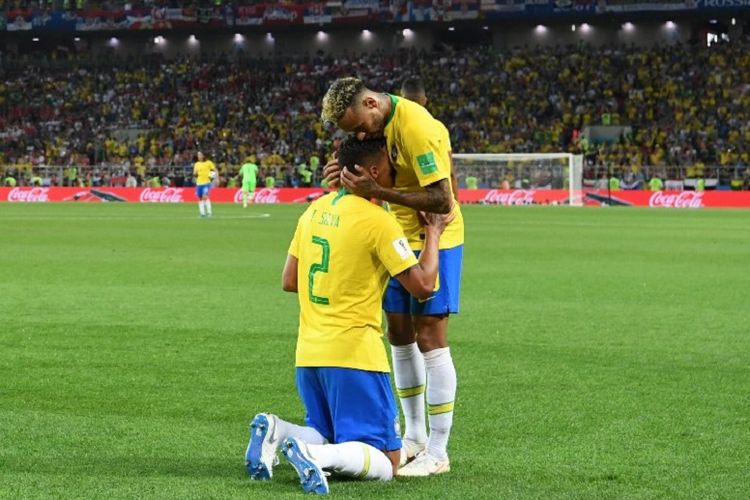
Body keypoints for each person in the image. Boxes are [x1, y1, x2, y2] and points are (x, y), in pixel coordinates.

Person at [244, 138, 451, 494]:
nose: (395, 175)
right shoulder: (378, 222)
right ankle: (311, 455)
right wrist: (433, 233)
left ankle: (277, 431)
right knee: (387, 459)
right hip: (355, 355)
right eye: (390, 168)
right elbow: (423, 286)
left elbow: (289, 280)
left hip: (309, 354)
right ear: (372, 172)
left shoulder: (314, 210)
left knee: (328, 434)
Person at [321, 77, 464, 476]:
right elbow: (377, 175)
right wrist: (346, 175)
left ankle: (438, 451)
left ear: (371, 102)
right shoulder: (376, 126)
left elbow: (443, 198)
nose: (361, 134)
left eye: (359, 126)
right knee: (399, 334)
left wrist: (378, 193)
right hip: (395, 233)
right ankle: (415, 436)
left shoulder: (415, 126)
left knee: (430, 337)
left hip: (437, 230)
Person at [400, 77, 460, 201]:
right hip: (440, 205)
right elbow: (451, 173)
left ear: (401, 100)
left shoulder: (392, 129)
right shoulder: (439, 128)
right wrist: (457, 206)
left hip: (404, 210)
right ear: (424, 101)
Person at [193, 151, 217, 218]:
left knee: (205, 197)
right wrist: (195, 174)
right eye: (198, 155)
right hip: (199, 183)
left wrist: (210, 178)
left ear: (203, 155)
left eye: (200, 154)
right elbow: (194, 173)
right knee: (200, 198)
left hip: (206, 183)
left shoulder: (209, 163)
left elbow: (213, 170)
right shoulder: (196, 164)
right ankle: (202, 213)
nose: (198, 156)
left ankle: (209, 213)